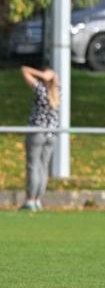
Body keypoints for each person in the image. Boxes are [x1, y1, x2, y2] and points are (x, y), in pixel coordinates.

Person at [19, 66, 60, 211]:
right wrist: (52, 76)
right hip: (51, 134)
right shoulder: (58, 92)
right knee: (43, 167)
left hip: (37, 132)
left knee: (33, 165)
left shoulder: (41, 90)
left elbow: (24, 70)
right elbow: (55, 81)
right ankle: (38, 199)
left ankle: (30, 199)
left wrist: (41, 75)